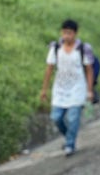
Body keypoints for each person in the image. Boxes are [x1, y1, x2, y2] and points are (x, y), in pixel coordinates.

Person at [40, 19, 94, 157]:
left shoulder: (82, 49)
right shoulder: (56, 48)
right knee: (56, 117)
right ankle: (69, 137)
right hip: (60, 88)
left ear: (75, 34)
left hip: (77, 87)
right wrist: (44, 89)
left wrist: (89, 90)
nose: (66, 36)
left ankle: (70, 144)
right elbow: (49, 69)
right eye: (64, 33)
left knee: (73, 117)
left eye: (69, 33)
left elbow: (89, 70)